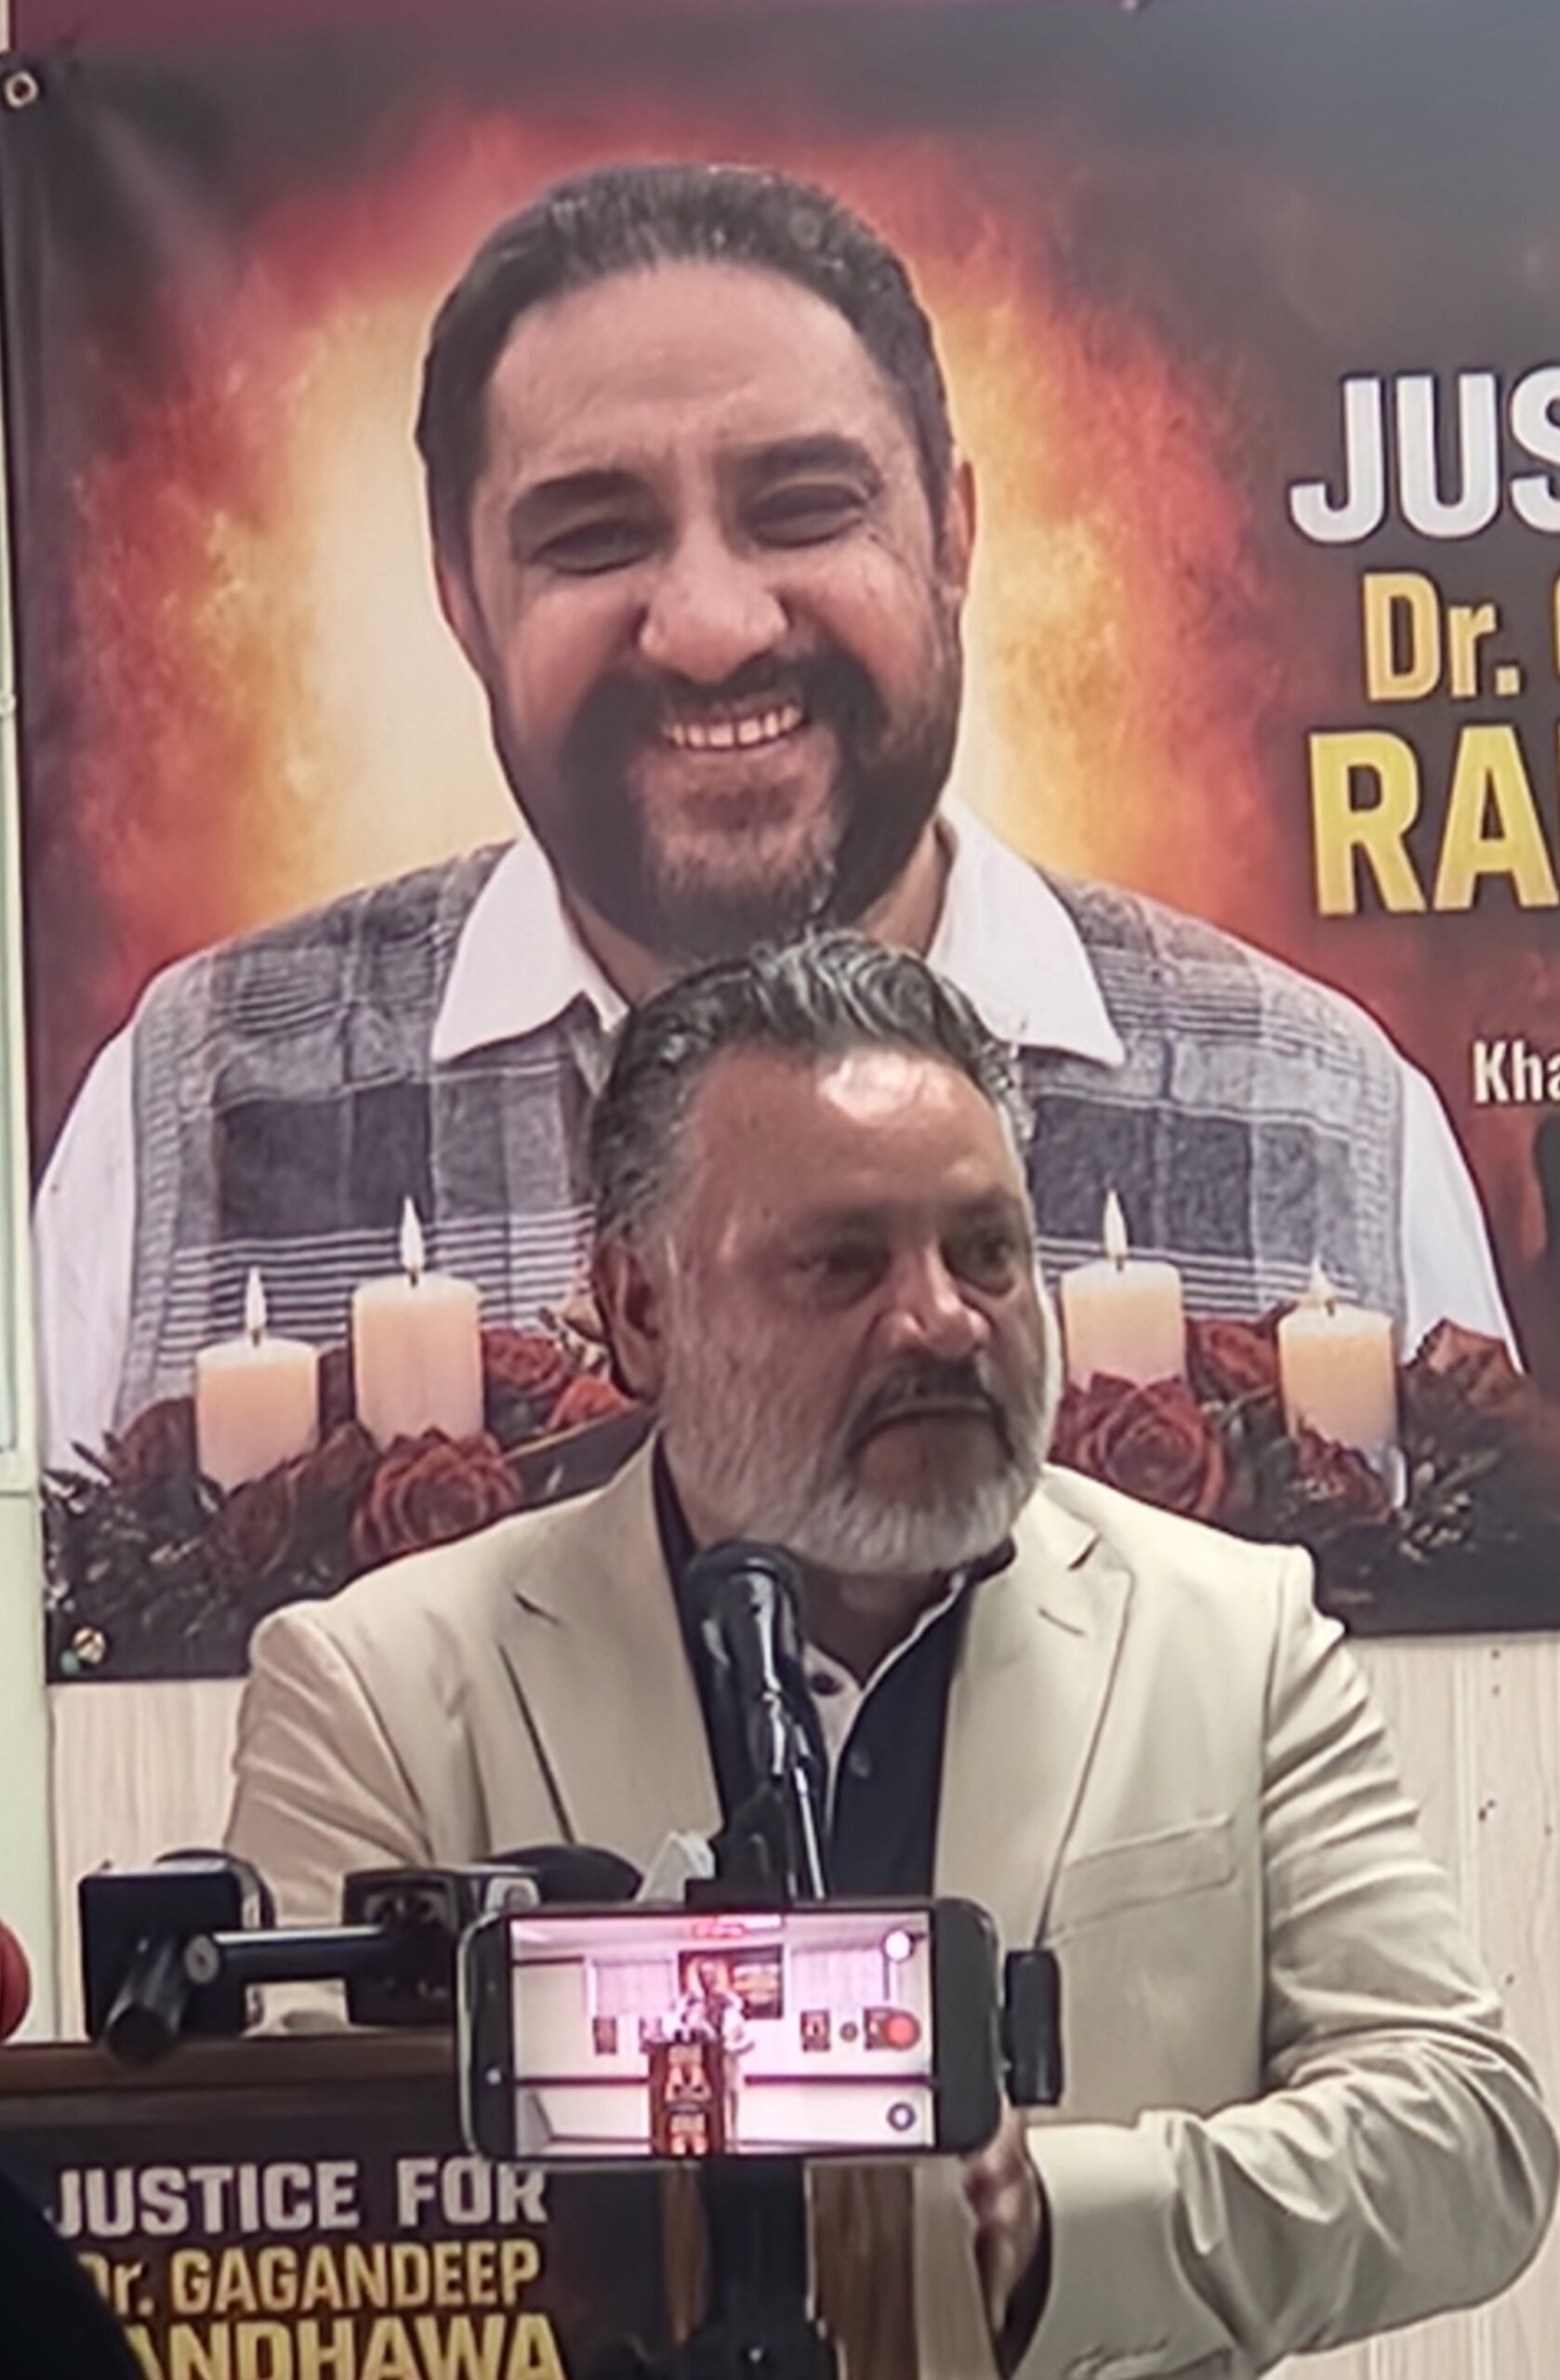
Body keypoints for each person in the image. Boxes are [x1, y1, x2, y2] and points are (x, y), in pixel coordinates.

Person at [34, 160, 1512, 1466]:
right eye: (593, 536)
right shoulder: (191, 1108)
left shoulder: (1325, 1116)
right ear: (461, 601)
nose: (710, 626)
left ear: (951, 537)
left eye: (802, 507)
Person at [224, 934, 1556, 2380]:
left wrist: (1057, 2223)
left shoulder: (1232, 1636)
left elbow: (1465, 2135)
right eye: (839, 1262)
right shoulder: (376, 1689)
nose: (940, 1319)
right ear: (640, 1310)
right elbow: (297, 2218)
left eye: (985, 1250)